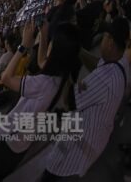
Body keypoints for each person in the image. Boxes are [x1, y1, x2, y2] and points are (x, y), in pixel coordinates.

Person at [0, 21, 81, 181]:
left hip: (9, 142)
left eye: (51, 43)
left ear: (57, 51)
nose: (49, 45)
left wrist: (23, 46)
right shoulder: (63, 77)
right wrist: (44, 34)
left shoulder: (43, 83)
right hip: (22, 142)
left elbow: (6, 78)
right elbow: (43, 61)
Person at [43, 17, 130, 180]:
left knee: (52, 173)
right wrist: (79, 50)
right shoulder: (121, 61)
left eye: (104, 37)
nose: (102, 41)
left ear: (110, 42)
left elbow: (69, 100)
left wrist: (65, 63)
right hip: (97, 139)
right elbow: (99, 63)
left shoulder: (106, 78)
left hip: (79, 147)